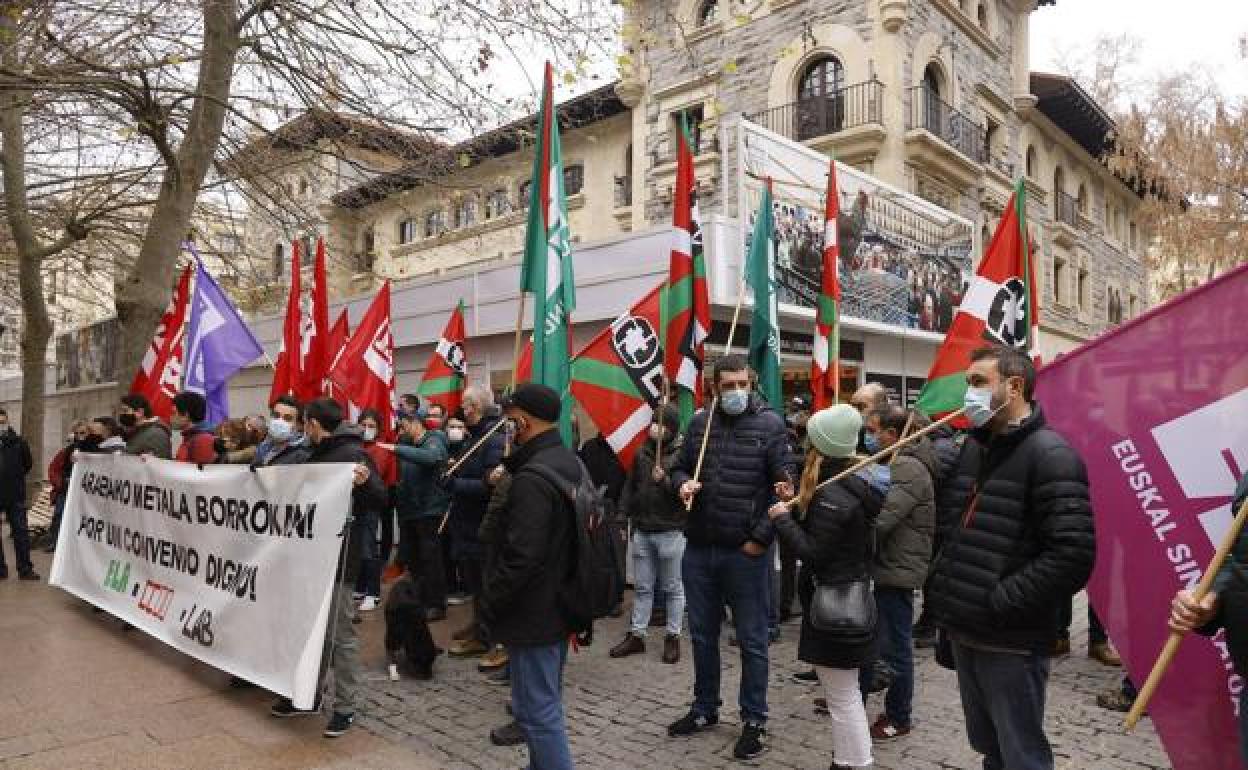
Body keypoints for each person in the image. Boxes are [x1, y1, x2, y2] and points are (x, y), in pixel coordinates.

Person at [927, 345, 1095, 770]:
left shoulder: (1051, 455)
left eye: (978, 383)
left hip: (1010, 639)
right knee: (991, 749)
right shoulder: (974, 448)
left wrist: (998, 599)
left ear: (1014, 386)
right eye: (969, 384)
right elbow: (954, 531)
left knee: (1022, 755)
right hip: (966, 630)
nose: (969, 394)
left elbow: (1072, 554)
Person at [668, 354, 796, 760]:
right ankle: (705, 708)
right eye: (729, 386)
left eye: (743, 384)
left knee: (753, 641)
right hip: (700, 548)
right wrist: (682, 484)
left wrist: (759, 539)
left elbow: (785, 487)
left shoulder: (771, 425)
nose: (737, 392)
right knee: (702, 636)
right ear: (714, 388)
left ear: (752, 383)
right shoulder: (699, 423)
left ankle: (754, 720)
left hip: (745, 554)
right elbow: (677, 467)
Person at [768, 404, 882, 770]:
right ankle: (848, 759)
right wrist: (797, 501)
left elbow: (814, 552)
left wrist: (782, 520)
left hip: (836, 602)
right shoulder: (846, 482)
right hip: (845, 592)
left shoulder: (834, 495)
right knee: (842, 693)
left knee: (843, 696)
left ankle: (858, 762)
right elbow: (826, 534)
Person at [478, 383, 580, 770]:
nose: (506, 425)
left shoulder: (532, 479)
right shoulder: (565, 460)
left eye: (509, 417)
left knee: (538, 713)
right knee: (540, 703)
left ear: (522, 419)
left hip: (535, 610)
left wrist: (490, 602)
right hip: (556, 602)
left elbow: (522, 557)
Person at [270, 397, 385, 738]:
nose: (302, 429)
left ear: (314, 425)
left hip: (339, 559)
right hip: (310, 557)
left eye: (303, 423)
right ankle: (305, 695)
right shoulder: (315, 454)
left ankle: (346, 707)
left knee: (340, 634)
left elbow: (379, 499)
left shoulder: (354, 456)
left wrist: (365, 483)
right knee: (308, 629)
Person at [859, 404, 937, 741]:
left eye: (875, 431)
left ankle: (898, 715)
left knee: (896, 647)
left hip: (897, 568)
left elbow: (884, 520)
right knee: (880, 639)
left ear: (893, 434)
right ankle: (860, 696)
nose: (871, 437)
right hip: (889, 564)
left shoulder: (907, 466)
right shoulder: (896, 461)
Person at [611, 405, 686, 664]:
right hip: (642, 530)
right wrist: (622, 515)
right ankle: (637, 635)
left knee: (673, 588)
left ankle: (673, 636)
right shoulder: (642, 452)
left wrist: (664, 480)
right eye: (654, 421)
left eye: (662, 423)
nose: (656, 427)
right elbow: (629, 487)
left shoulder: (682, 455)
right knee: (643, 588)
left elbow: (686, 493)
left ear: (673, 429)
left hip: (670, 530)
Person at [445, 385, 506, 658]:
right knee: (475, 585)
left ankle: (488, 638)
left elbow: (490, 485)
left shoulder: (492, 438)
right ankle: (479, 625)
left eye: (465, 405)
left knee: (484, 586)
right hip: (466, 523)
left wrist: (455, 485)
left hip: (479, 525)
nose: (462, 410)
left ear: (477, 407)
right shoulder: (476, 436)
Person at [381, 401, 450, 621]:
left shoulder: (434, 439)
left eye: (404, 425)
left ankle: (437, 604)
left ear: (415, 423)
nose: (402, 430)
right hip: (410, 511)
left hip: (428, 510)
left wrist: (397, 448)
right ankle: (420, 599)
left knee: (431, 559)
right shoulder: (407, 442)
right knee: (415, 559)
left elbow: (432, 458)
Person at [353, 409, 398, 612]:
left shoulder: (381, 450)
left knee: (368, 547)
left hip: (370, 504)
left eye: (371, 426)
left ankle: (373, 592)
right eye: (363, 425)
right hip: (353, 503)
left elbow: (379, 477)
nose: (366, 429)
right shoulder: (354, 447)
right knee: (357, 547)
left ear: (378, 429)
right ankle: (361, 587)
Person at [0, 408, 37, 581]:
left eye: (2, 422)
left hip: (15, 495)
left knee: (20, 532)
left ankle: (25, 568)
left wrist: (14, 475)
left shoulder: (19, 442)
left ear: (7, 421)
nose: (1, 425)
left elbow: (27, 464)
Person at [44, 420, 89, 552]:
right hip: (65, 489)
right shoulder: (66, 451)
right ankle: (55, 542)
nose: (80, 436)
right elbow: (53, 468)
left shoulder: (94, 450)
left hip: (84, 491)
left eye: (83, 433)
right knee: (59, 514)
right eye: (77, 433)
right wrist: (61, 483)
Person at [254, 396, 311, 467]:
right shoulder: (263, 447)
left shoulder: (302, 455)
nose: (280, 421)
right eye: (276, 415)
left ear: (298, 425)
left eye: (287, 418)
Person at [118, 394, 172, 459]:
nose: (122, 414)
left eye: (125, 411)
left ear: (140, 412)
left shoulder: (156, 434)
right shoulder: (139, 431)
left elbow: (158, 464)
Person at [171, 391, 216, 464]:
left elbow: (201, 472)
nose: (171, 417)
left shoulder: (203, 440)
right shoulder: (192, 436)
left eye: (174, 413)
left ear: (186, 415)